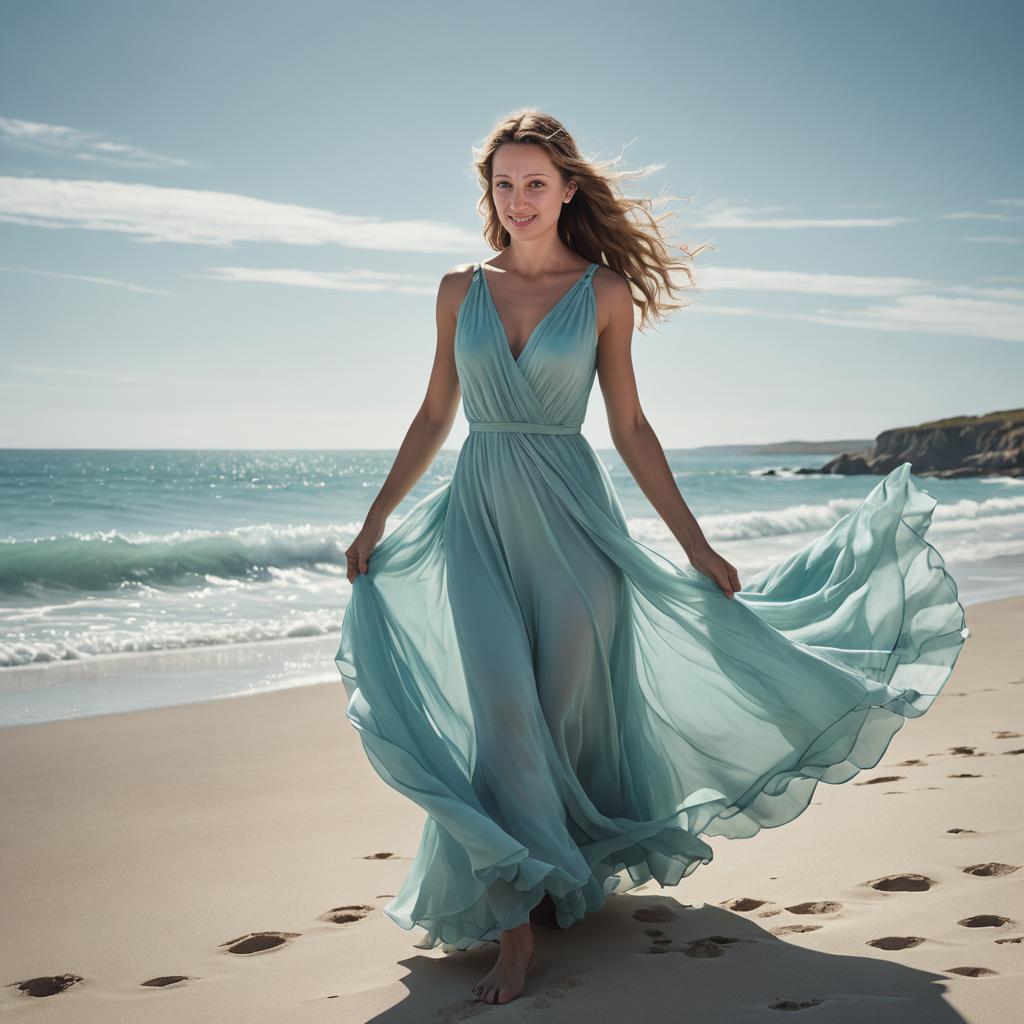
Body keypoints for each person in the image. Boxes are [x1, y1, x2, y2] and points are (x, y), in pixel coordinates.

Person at [336, 109, 969, 1006]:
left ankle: (556, 876)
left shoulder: (602, 294)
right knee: (504, 717)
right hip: (475, 521)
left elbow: (629, 425)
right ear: (490, 193)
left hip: (575, 530)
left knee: (558, 719)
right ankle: (513, 926)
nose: (518, 201)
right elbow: (434, 414)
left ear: (567, 191)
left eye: (535, 184)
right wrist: (375, 521)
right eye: (503, 185)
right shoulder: (456, 289)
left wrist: (695, 544)